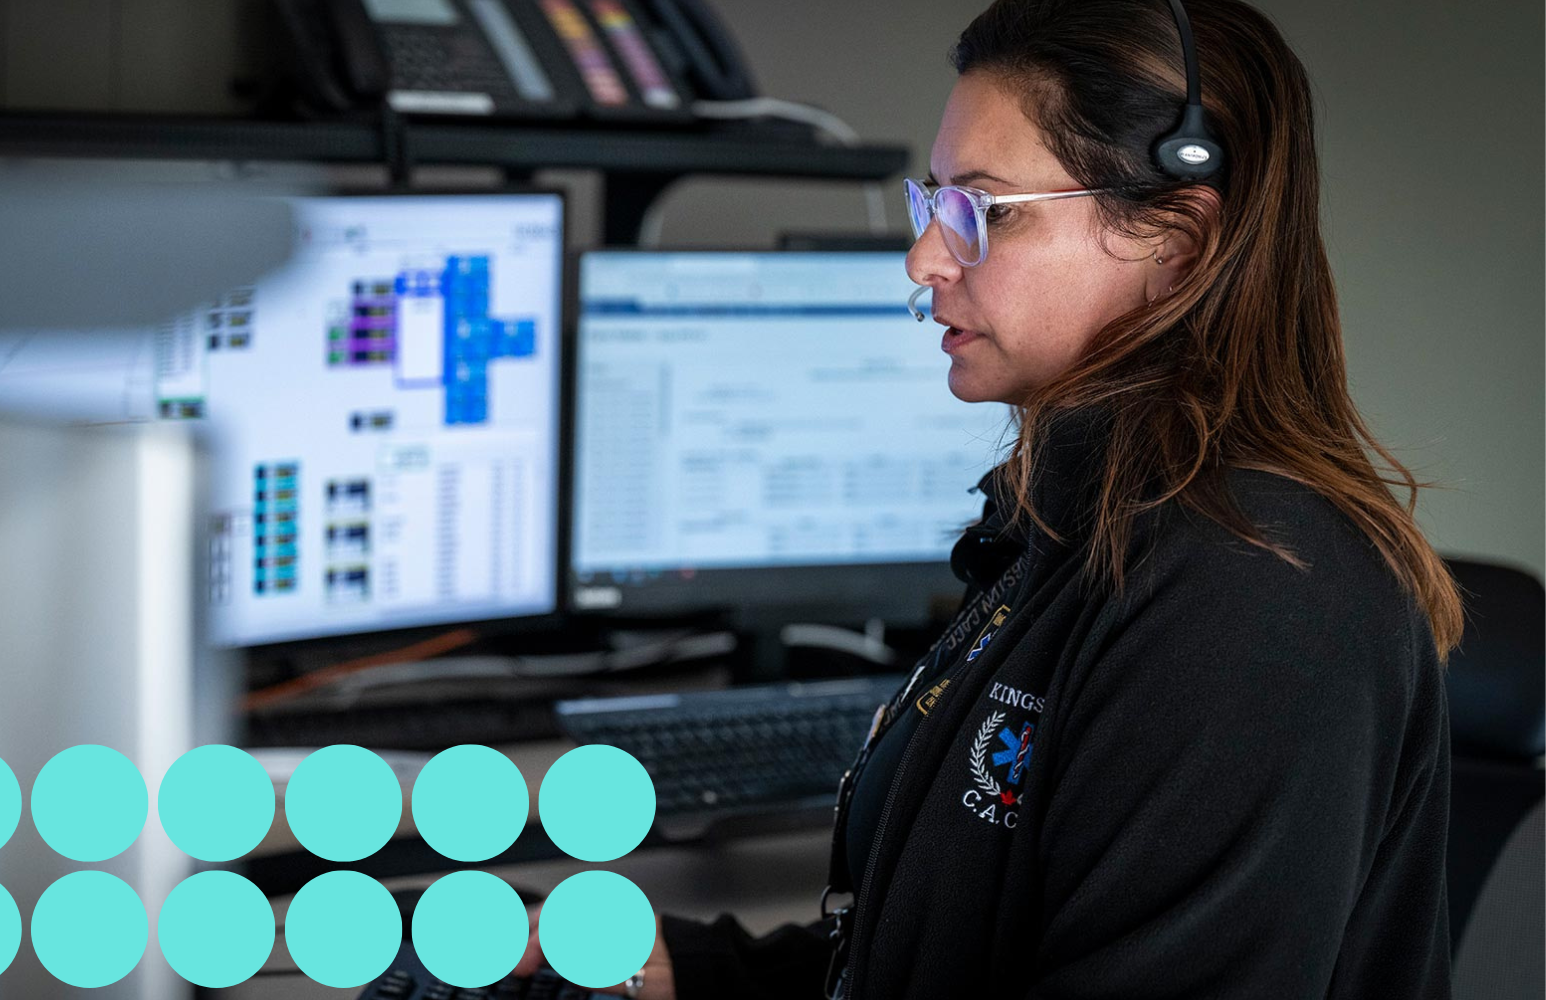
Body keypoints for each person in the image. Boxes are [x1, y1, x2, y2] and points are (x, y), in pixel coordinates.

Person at [515, 0, 1463, 995]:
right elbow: (940, 957)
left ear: (1174, 241)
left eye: (984, 211)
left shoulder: (1253, 598)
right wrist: (692, 970)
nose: (923, 261)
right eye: (935, 207)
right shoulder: (1071, 526)